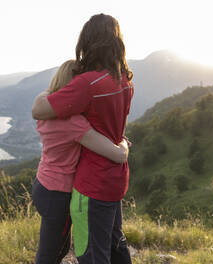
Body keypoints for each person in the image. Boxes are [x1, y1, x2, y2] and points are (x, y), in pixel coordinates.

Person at [32, 13, 134, 264]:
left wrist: (54, 90)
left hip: (92, 183)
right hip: (116, 178)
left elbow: (39, 109)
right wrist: (121, 148)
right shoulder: (125, 80)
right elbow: (111, 131)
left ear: (87, 41)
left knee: (91, 253)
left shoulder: (87, 84)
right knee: (115, 242)